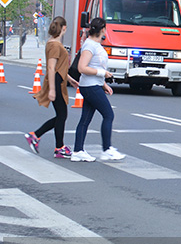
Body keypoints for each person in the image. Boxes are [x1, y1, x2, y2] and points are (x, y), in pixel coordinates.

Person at [71, 17, 125, 162]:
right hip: (90, 86)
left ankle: (78, 151)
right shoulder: (90, 45)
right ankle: (107, 149)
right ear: (102, 30)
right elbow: (82, 67)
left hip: (92, 85)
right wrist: (102, 74)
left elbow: (94, 66)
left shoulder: (93, 44)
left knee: (85, 119)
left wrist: (103, 83)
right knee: (108, 115)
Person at [25, 16, 78, 159]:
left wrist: (70, 79)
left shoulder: (52, 42)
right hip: (56, 82)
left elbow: (59, 67)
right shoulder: (55, 45)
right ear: (64, 28)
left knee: (61, 115)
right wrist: (53, 89)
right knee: (62, 115)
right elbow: (51, 67)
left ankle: (45, 140)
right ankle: (52, 144)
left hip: (59, 80)